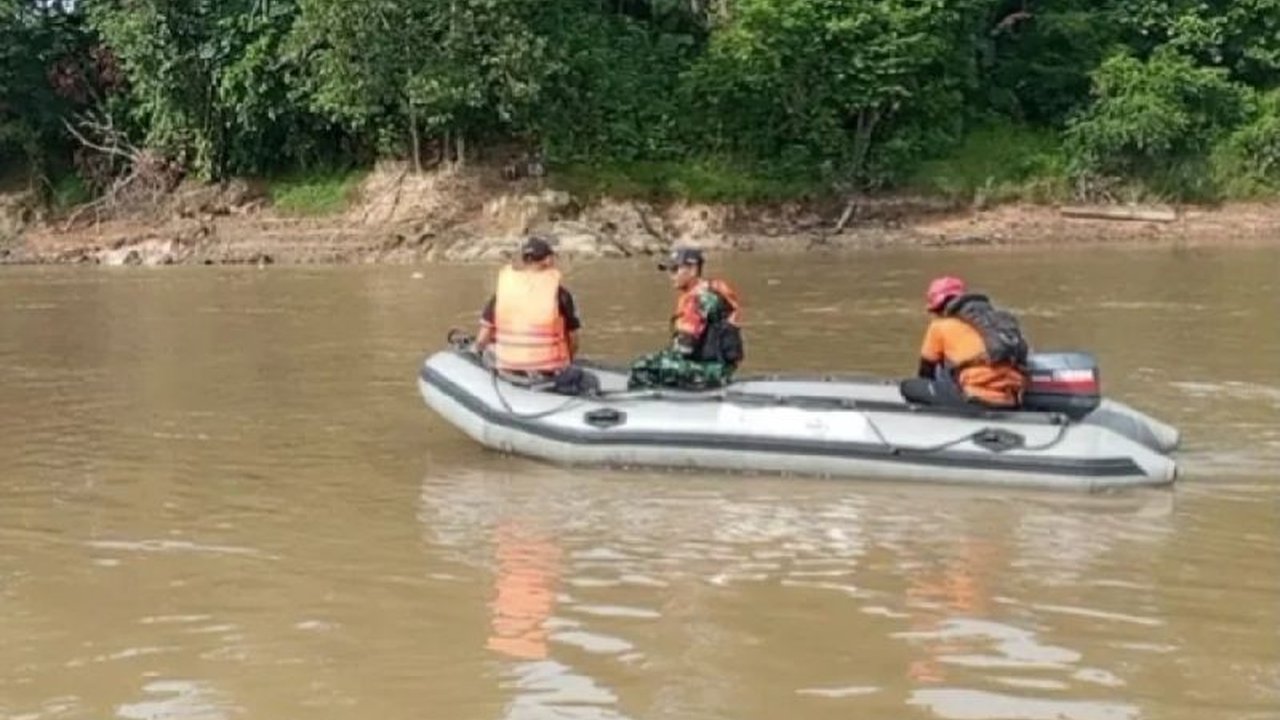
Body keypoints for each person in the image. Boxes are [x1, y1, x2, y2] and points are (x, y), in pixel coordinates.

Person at [472, 235, 598, 396]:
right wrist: (566, 362)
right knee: (590, 381)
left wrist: (476, 352)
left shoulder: (504, 292)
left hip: (509, 370)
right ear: (548, 261)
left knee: (489, 352)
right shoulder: (561, 295)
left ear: (524, 260)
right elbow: (573, 340)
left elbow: (483, 337)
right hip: (547, 374)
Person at [899, 275, 1029, 409]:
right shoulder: (996, 321)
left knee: (908, 386)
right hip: (1012, 399)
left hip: (977, 398)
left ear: (939, 307)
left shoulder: (940, 325)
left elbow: (926, 372)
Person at [628, 247, 744, 390]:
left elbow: (683, 348)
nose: (671, 275)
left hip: (712, 371)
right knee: (661, 362)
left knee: (641, 367)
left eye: (675, 269)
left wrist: (659, 359)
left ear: (693, 270)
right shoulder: (711, 290)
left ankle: (653, 405)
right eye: (669, 271)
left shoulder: (698, 300)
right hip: (720, 367)